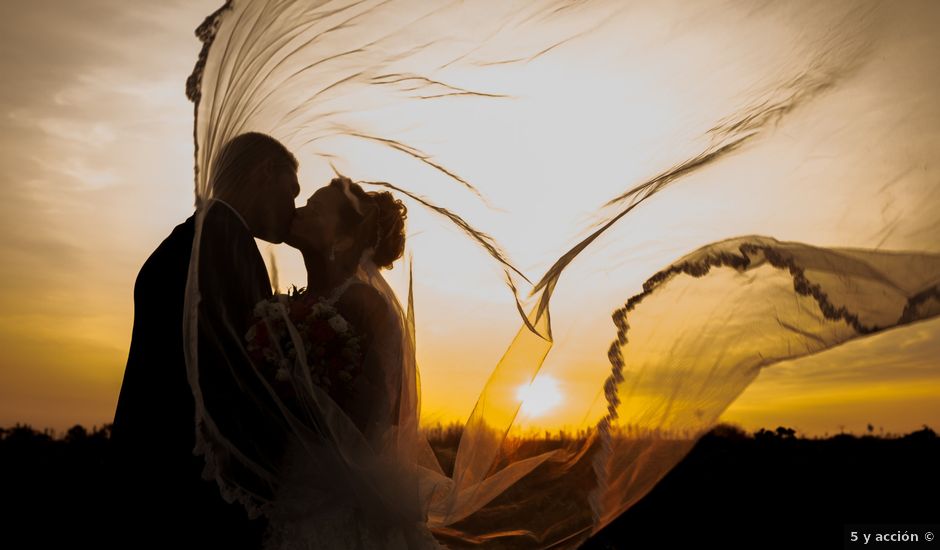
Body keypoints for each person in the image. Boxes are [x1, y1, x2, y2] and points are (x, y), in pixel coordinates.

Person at [110, 132, 301, 549]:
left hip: (146, 471)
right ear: (264, 172)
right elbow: (245, 376)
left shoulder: (187, 237)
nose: (294, 210)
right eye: (291, 193)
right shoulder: (227, 240)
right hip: (193, 489)